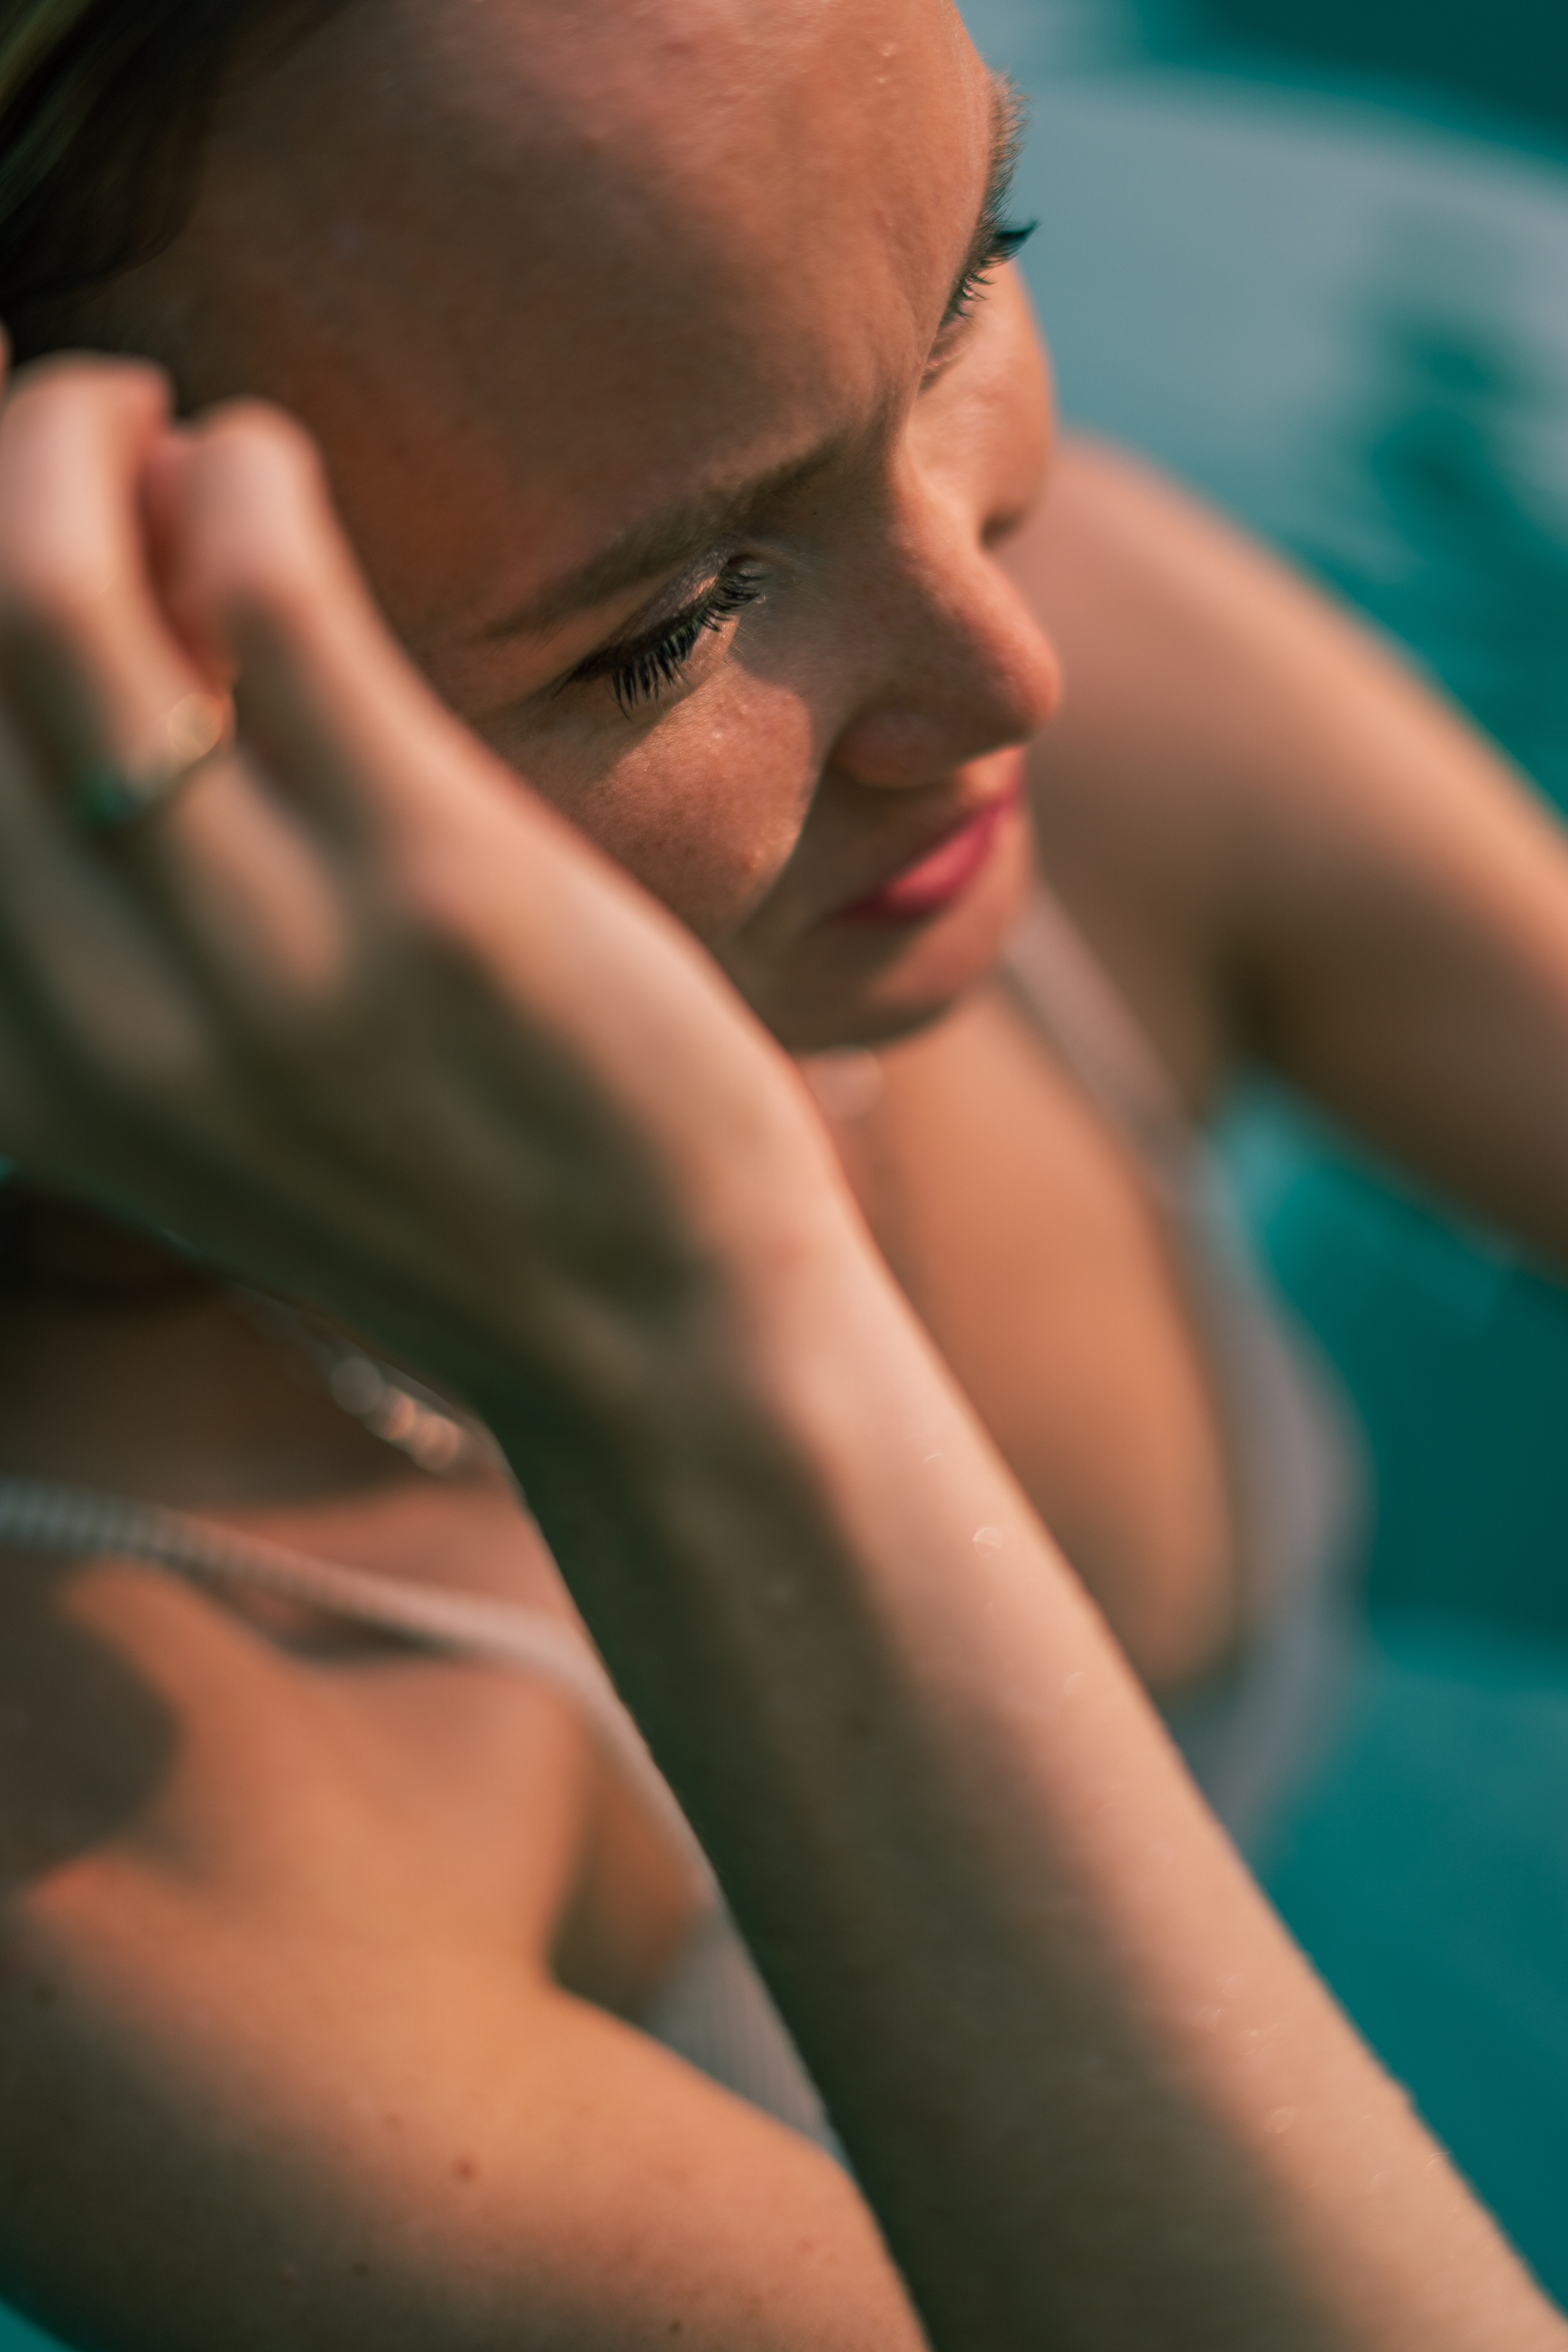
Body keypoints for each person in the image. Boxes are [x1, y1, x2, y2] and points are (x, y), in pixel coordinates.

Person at [0, 0, 1567, 2345]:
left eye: (961, 292)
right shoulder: (112, 1860)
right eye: (674, 627)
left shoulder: (1094, 690)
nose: (1006, 657)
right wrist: (674, 1336)